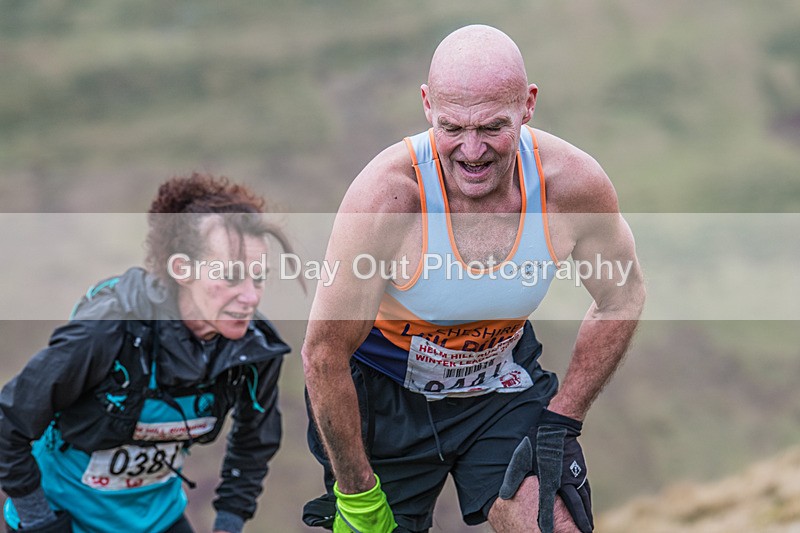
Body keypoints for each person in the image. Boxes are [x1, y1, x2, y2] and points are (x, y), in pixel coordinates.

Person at [301, 25, 646, 533]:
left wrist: (564, 417)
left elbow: (623, 296)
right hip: (383, 400)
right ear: (426, 105)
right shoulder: (387, 198)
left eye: (491, 127)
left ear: (527, 104)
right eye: (452, 127)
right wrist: (356, 493)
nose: (471, 150)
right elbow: (323, 353)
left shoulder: (572, 186)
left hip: (498, 388)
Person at [0, 173, 292, 533]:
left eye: (259, 277)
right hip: (64, 521)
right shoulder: (106, 334)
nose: (251, 297)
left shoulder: (254, 350)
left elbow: (255, 442)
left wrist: (228, 524)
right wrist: (39, 521)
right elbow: (7, 424)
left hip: (160, 521)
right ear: (182, 269)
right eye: (232, 276)